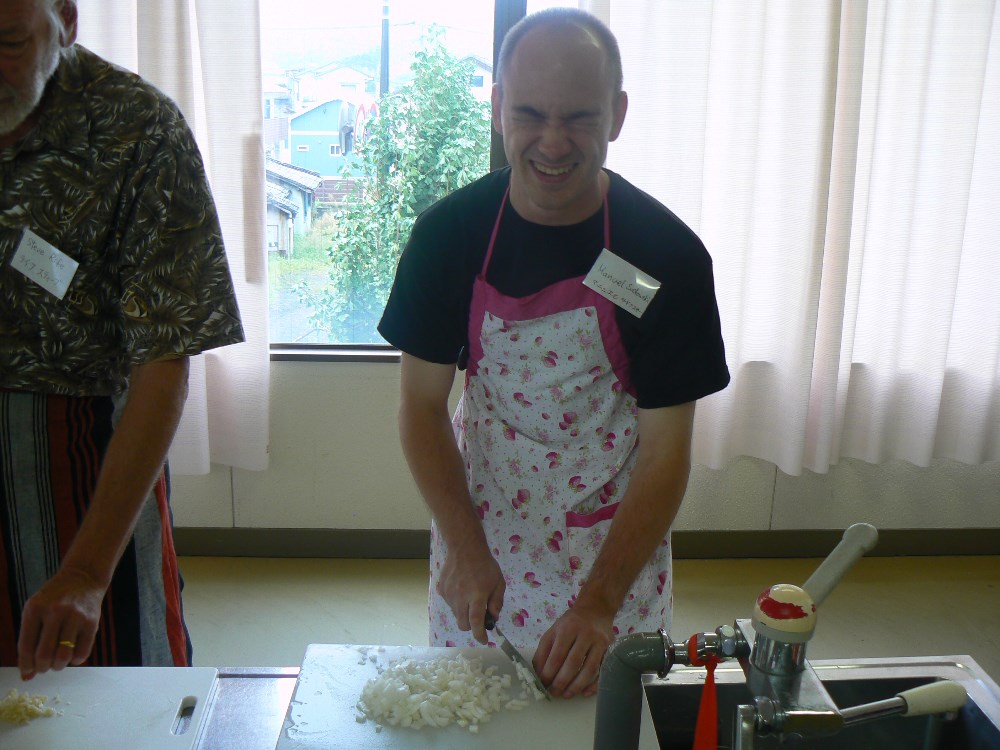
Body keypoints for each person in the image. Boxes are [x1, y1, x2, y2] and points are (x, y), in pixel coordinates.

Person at [378, 8, 729, 699]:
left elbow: (666, 453)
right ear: (498, 106)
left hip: (613, 557)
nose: (553, 142)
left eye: (580, 117)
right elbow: (420, 408)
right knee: (475, 717)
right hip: (483, 533)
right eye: (531, 113)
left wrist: (599, 603)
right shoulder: (448, 237)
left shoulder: (666, 257)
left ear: (618, 114)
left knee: (603, 724)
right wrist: (465, 547)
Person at [0, 0, 244, 679]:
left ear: (68, 21)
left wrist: (85, 571)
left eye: (9, 42)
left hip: (85, 465)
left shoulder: (137, 131)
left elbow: (162, 365)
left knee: (113, 695)